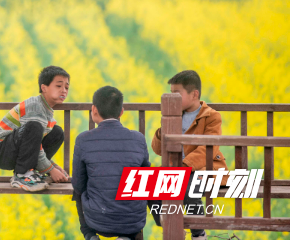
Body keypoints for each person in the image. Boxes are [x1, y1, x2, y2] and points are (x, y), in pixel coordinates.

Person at [152, 70, 229, 240]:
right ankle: (170, 225)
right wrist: (162, 129)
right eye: (170, 94)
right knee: (149, 183)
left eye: (176, 94)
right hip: (180, 169)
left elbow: (209, 147)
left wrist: (184, 166)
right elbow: (158, 150)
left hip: (206, 169)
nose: (172, 98)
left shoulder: (211, 116)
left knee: (186, 184)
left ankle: (199, 233)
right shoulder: (173, 115)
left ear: (194, 94)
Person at [72, 86, 149, 240]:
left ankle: (89, 235)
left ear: (94, 110)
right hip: (132, 221)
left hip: (97, 219)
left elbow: (78, 185)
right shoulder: (138, 138)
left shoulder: (83, 139)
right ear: (121, 111)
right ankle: (128, 236)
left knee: (79, 193)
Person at [0, 65, 70, 192]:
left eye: (66, 87)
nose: (64, 90)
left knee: (57, 132)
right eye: (59, 86)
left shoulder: (47, 110)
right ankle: (21, 175)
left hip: (16, 149)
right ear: (44, 88)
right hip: (2, 150)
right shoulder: (35, 106)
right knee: (34, 127)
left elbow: (35, 143)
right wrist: (50, 170)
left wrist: (52, 166)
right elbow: (32, 136)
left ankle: (32, 171)